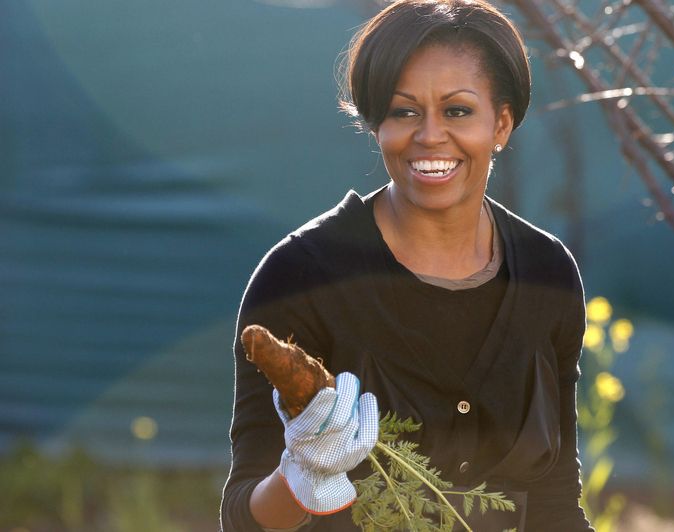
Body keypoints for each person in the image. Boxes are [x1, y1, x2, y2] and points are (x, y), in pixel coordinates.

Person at [220, 1, 592, 530]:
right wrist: (302, 477)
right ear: (377, 124)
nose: (429, 135)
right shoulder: (302, 276)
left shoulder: (546, 274)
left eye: (458, 111)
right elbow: (243, 519)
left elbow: (555, 501)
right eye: (404, 111)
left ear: (501, 123)